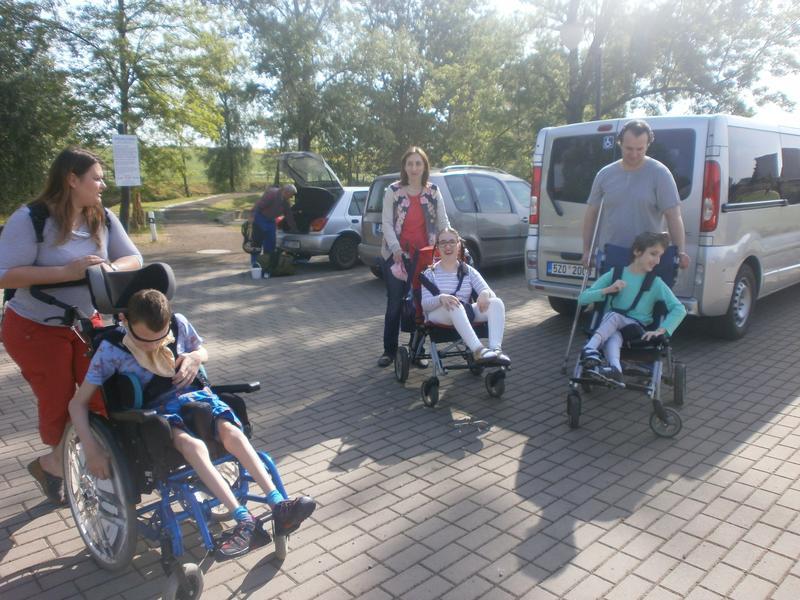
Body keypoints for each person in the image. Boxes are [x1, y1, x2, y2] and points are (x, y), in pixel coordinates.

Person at [68, 288, 316, 559]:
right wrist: (91, 449)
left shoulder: (179, 324)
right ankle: (244, 520)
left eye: (160, 338)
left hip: (196, 399)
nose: (153, 346)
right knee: (194, 447)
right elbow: (77, 404)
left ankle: (279, 505)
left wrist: (195, 357)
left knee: (232, 432)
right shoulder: (111, 350)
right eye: (144, 340)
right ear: (125, 321)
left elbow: (202, 350)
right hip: (158, 413)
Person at [0, 147, 143, 506]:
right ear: (72, 179)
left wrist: (109, 269)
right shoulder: (31, 219)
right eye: (96, 178)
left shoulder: (102, 217)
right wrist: (65, 272)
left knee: (100, 395)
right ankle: (63, 462)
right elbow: (4, 275)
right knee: (60, 401)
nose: (103, 184)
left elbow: (133, 257)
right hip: (34, 328)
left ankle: (54, 464)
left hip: (85, 324)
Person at [581, 119, 690, 271]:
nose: (634, 154)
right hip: (611, 254)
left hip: (647, 257)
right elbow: (591, 214)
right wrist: (587, 250)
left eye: (640, 149)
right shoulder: (605, 175)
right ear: (620, 143)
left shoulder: (660, 174)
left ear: (648, 145)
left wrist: (680, 251)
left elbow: (673, 216)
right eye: (629, 148)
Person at [578, 231, 687, 382]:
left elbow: (679, 309)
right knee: (613, 335)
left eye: (660, 256)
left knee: (614, 316)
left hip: (636, 331)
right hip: (613, 328)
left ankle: (589, 348)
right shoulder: (615, 274)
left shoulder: (656, 283)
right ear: (637, 251)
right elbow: (582, 299)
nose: (657, 261)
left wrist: (662, 330)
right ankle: (616, 369)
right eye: (653, 254)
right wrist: (608, 290)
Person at [377, 146, 450, 368]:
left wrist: (450, 240)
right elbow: (386, 223)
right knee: (395, 304)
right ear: (405, 167)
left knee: (420, 306)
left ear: (424, 167)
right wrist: (396, 248)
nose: (414, 168)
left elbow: (443, 222)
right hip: (396, 256)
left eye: (418, 163)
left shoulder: (433, 191)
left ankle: (417, 351)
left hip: (424, 258)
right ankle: (389, 351)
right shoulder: (393, 191)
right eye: (410, 163)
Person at [420, 227, 510, 366]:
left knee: (496, 303)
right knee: (454, 304)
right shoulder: (430, 273)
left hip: (463, 311)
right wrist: (441, 298)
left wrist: (485, 294)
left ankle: (495, 350)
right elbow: (425, 304)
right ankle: (478, 350)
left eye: (452, 242)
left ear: (459, 245)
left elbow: (488, 291)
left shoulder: (468, 271)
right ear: (437, 247)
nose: (447, 246)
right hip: (438, 314)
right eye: (443, 242)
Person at [248, 183, 298, 276]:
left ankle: (266, 265)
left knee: (271, 244)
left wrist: (294, 228)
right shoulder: (272, 194)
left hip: (271, 221)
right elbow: (259, 205)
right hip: (260, 218)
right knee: (256, 244)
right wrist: (252, 216)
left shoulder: (285, 201)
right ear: (286, 192)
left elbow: (289, 215)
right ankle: (255, 266)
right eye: (291, 195)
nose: (291, 197)